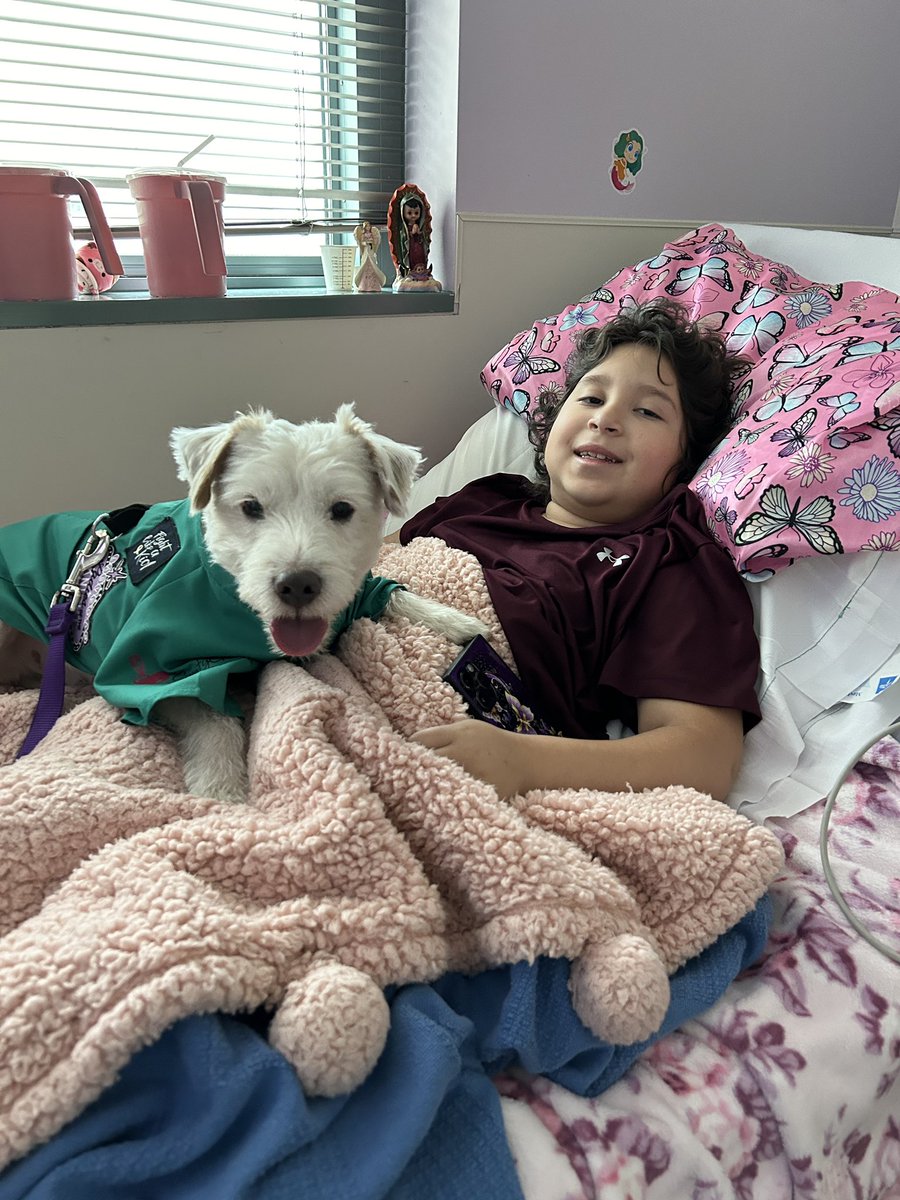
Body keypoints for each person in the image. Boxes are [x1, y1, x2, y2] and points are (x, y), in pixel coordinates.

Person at [397, 299, 760, 803]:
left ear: (683, 465)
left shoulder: (664, 561)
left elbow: (703, 757)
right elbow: (362, 570)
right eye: (590, 399)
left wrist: (520, 760)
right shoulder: (484, 498)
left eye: (648, 410)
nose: (606, 419)